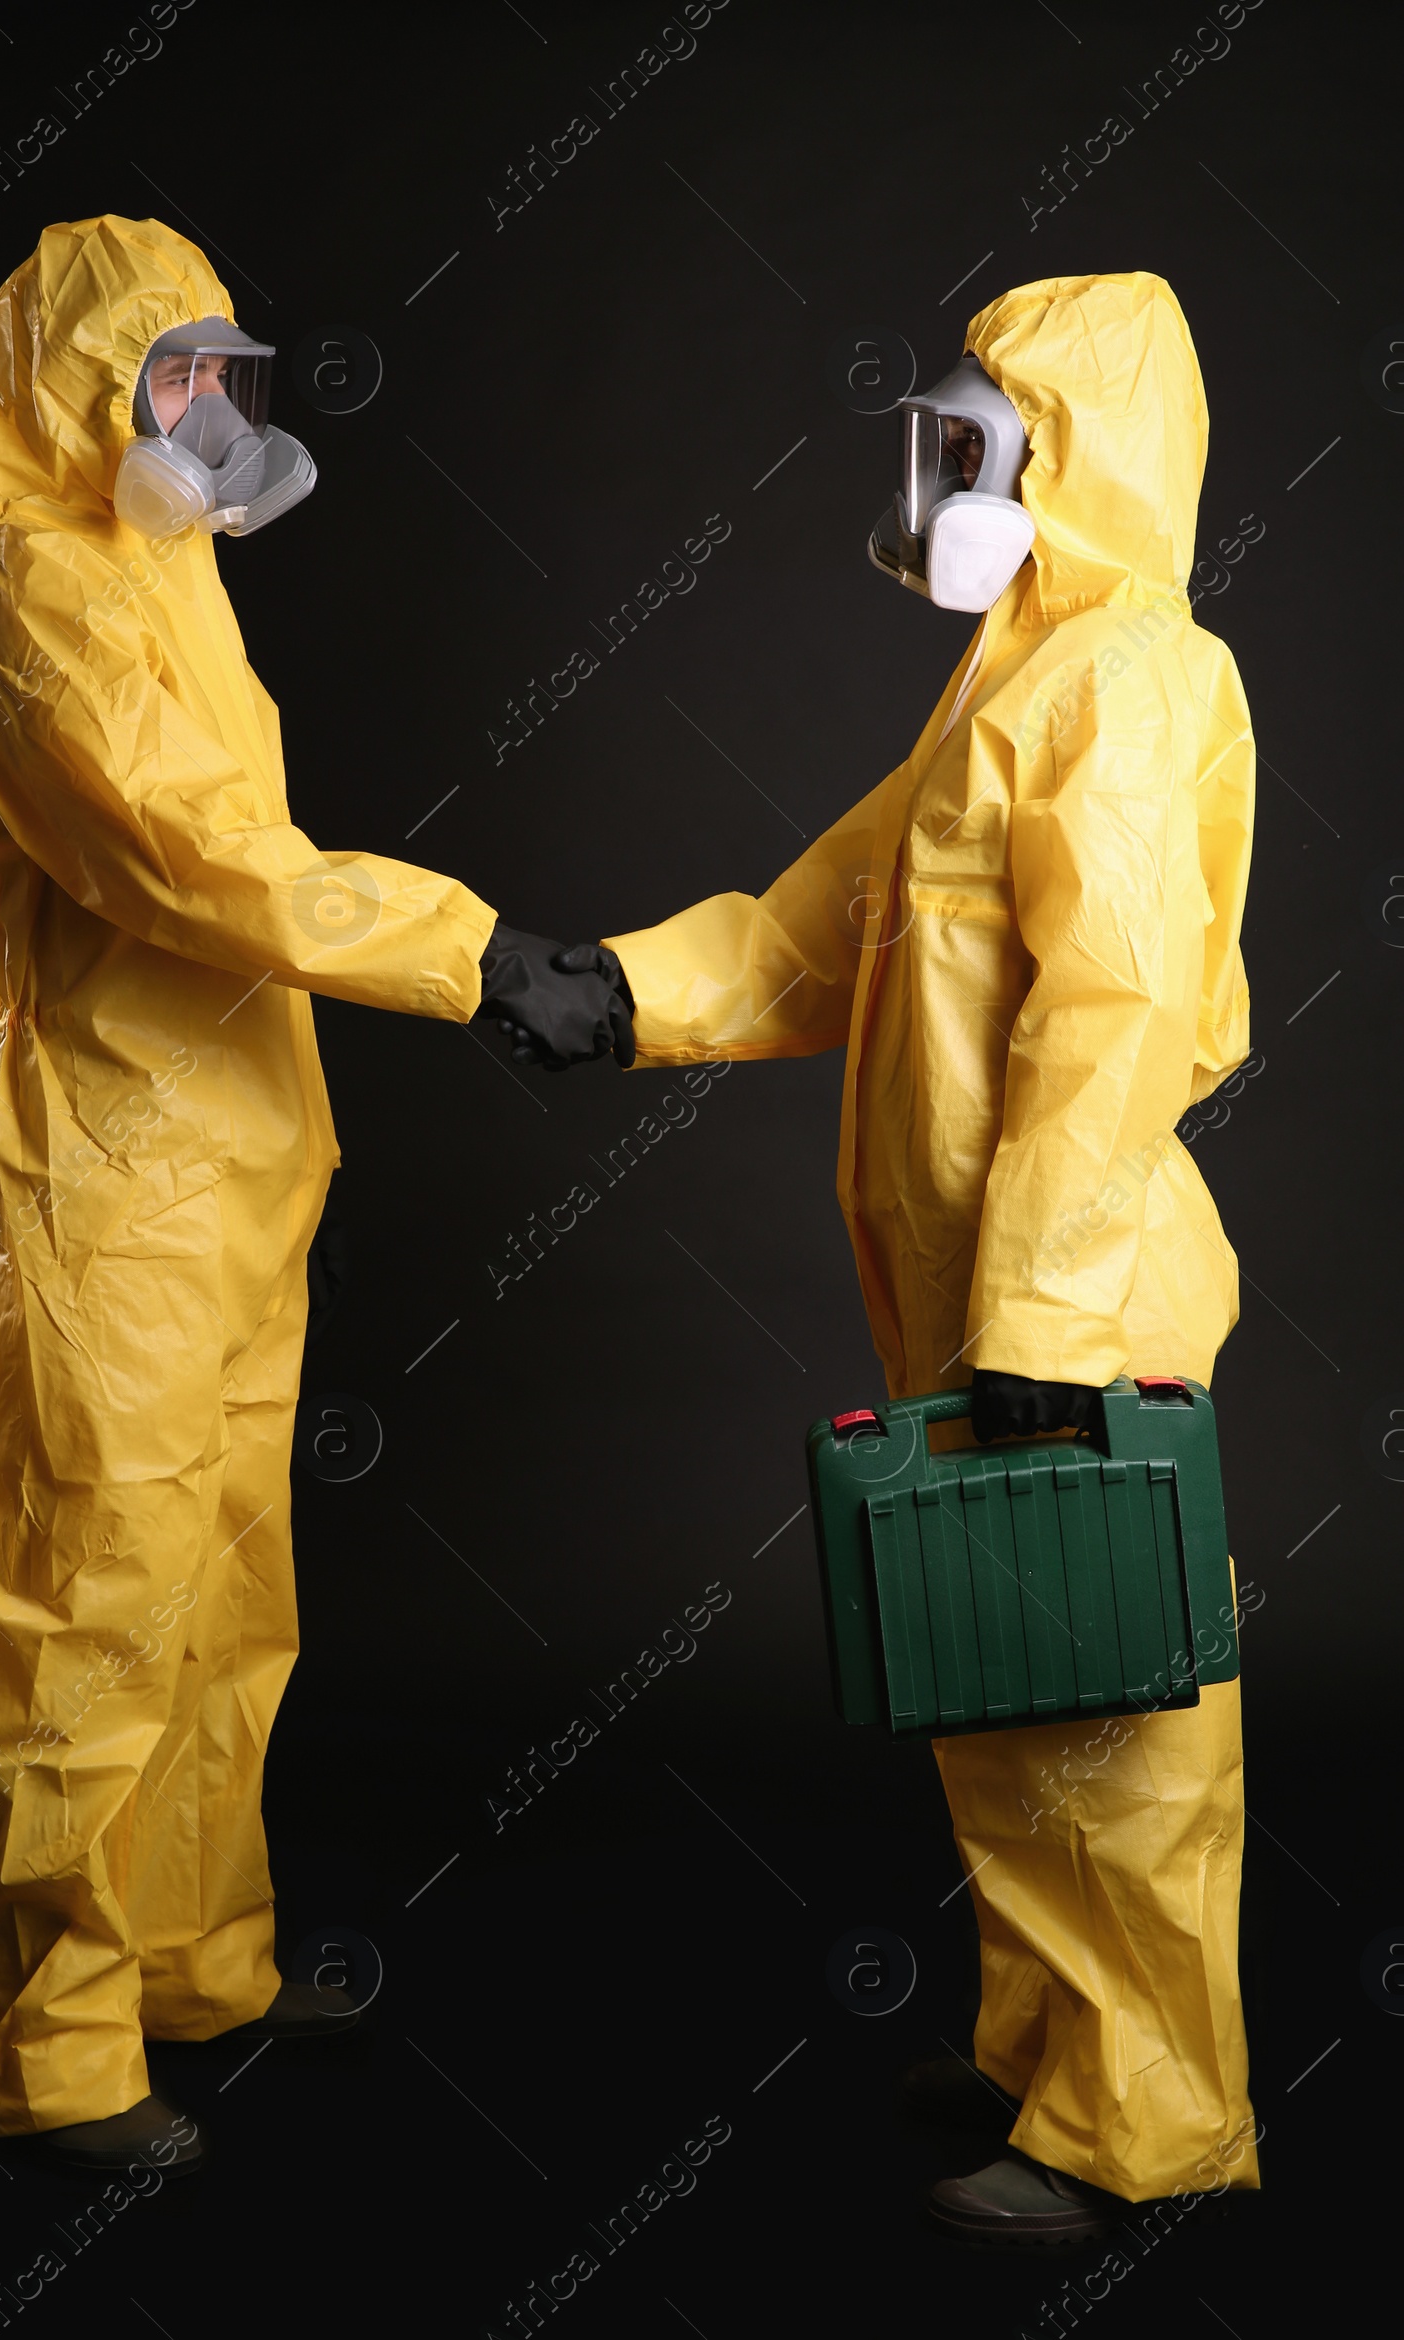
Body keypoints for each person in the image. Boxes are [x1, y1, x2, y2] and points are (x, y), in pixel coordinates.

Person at [0, 213, 625, 2172]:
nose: (209, 417)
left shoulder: (160, 569)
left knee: (221, 1602)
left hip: (233, 1161)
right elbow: (193, 862)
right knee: (81, 1615)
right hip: (104, 1178)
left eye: (226, 374)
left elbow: (238, 856)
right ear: (74, 391)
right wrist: (476, 952)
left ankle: (191, 1965)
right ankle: (44, 2054)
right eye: (167, 378)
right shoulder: (12, 599)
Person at [544, 272, 1260, 2241]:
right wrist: (619, 996)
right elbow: (820, 925)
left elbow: (1108, 1015)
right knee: (1007, 1684)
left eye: (964, 445)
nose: (927, 482)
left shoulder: (1120, 675)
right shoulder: (1009, 675)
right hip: (970, 1280)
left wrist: (1033, 1316)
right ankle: (1046, 2056)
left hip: (1070, 1286)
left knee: (1109, 1721)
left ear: (1070, 454)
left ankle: (1148, 2125)